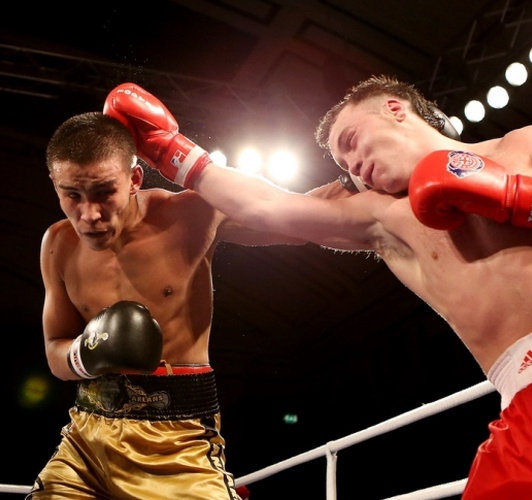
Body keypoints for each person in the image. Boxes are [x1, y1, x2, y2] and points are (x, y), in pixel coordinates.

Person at [104, 77, 532, 499]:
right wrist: (168, 152)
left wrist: (518, 197)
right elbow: (266, 208)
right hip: (524, 408)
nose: (353, 165)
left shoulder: (520, 147)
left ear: (395, 108)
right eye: (343, 162)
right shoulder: (380, 216)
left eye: (354, 140)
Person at [32, 109, 336, 499]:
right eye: (72, 195)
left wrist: (367, 180)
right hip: (84, 443)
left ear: (134, 179)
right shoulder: (57, 244)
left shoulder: (189, 215)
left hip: (178, 441)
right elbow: (54, 348)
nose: (89, 214)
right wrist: (85, 354)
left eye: (105, 192)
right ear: (54, 183)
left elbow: (303, 218)